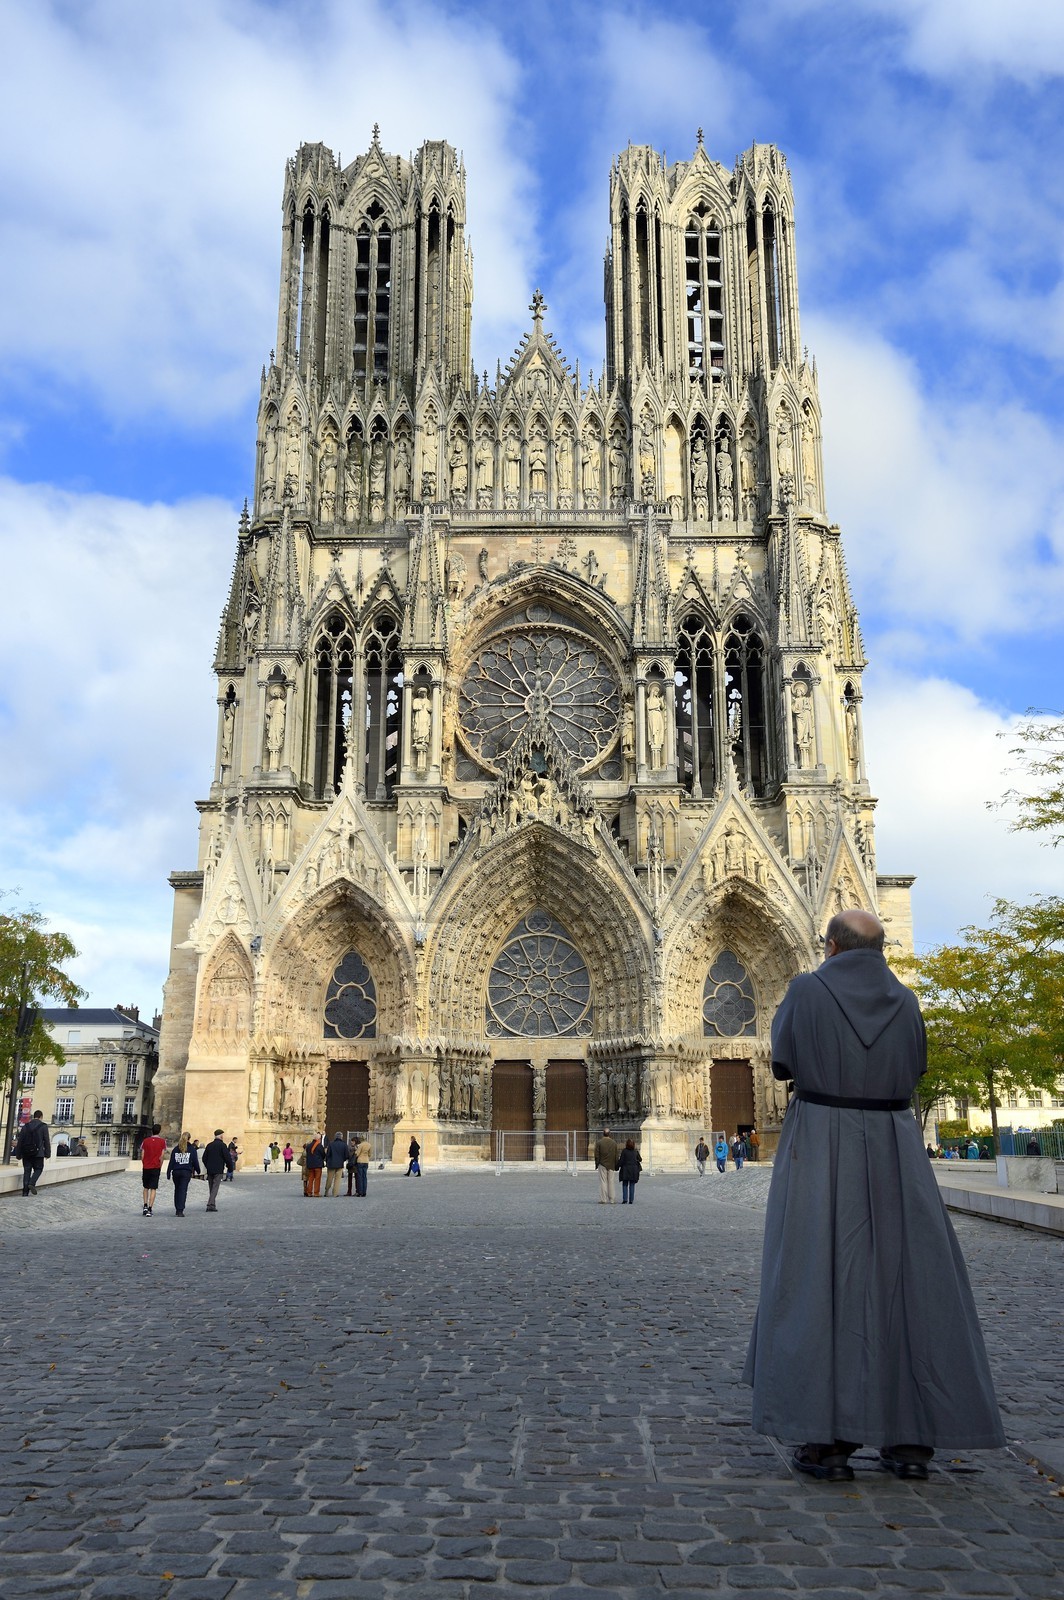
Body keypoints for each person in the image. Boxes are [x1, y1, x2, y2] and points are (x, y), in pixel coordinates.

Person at [744, 909, 1004, 1483]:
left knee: (816, 1277)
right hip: (895, 1144)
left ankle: (828, 1442)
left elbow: (783, 1062)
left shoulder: (805, 991)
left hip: (821, 1142)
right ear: (881, 948)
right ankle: (912, 1441)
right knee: (912, 1281)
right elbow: (915, 1067)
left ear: (831, 947)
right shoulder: (908, 1002)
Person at [15, 1109, 50, 1196]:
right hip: (38, 1153)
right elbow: (46, 1141)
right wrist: (47, 1153)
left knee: (27, 1171)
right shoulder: (43, 1126)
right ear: (41, 1117)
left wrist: (18, 1154)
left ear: (33, 1116)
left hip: (26, 1153)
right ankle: (32, 1183)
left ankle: (25, 1192)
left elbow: (20, 1141)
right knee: (38, 1169)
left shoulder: (25, 1126)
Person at [166, 1133, 200, 1216]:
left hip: (176, 1171)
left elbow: (172, 1161)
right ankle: (180, 1209)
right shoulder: (191, 1149)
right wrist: (198, 1170)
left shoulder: (176, 1149)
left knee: (177, 1190)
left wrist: (168, 1172)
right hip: (186, 1172)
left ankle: (177, 1208)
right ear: (189, 1139)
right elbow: (195, 1161)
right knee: (183, 1190)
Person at [201, 1129, 235, 1211]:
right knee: (215, 1187)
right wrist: (230, 1167)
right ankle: (210, 1204)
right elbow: (227, 1157)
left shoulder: (209, 1145)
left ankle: (212, 1204)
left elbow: (204, 1158)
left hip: (210, 1170)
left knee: (211, 1187)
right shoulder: (222, 1145)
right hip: (218, 1169)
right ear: (221, 1136)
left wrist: (208, 1166)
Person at [140, 1122, 166, 1217]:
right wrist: (160, 1165)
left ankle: (145, 1205)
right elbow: (162, 1156)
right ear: (159, 1131)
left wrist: (144, 1164)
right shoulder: (162, 1142)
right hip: (155, 1167)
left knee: (145, 1187)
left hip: (146, 1166)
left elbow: (142, 1155)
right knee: (153, 1188)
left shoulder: (145, 1141)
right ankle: (150, 1208)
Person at [594, 1126, 619, 1204]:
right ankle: (612, 1199)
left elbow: (596, 1155)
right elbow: (616, 1155)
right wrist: (616, 1165)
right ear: (609, 1134)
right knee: (611, 1182)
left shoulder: (599, 1142)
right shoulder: (614, 1143)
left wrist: (597, 1163)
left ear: (603, 1134)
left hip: (602, 1164)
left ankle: (603, 1199)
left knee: (603, 1182)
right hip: (611, 1164)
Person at [324, 1132, 349, 1196]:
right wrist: (342, 1160)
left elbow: (328, 1154)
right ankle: (335, 1193)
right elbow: (346, 1155)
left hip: (331, 1164)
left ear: (335, 1137)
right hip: (340, 1164)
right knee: (337, 1180)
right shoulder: (344, 1145)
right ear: (341, 1137)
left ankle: (326, 1191)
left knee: (329, 1179)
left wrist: (327, 1161)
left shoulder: (331, 1144)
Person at [618, 1138, 642, 1204]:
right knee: (632, 1185)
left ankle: (625, 1199)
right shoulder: (635, 1151)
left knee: (625, 1184)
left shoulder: (624, 1151)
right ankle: (631, 1200)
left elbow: (621, 1161)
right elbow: (640, 1159)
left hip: (625, 1169)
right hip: (633, 1170)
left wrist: (617, 1166)